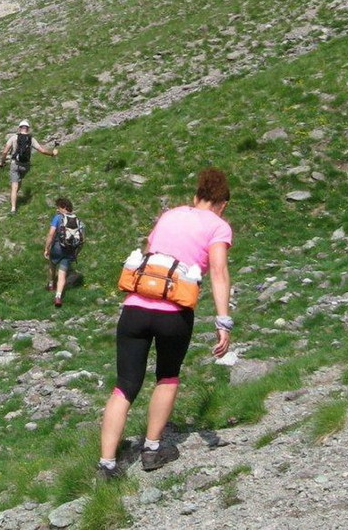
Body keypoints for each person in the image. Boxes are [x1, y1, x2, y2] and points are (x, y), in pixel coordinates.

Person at [98, 168, 233, 479]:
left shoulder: (170, 215)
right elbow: (218, 271)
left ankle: (106, 465)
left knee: (125, 386)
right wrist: (223, 321)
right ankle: (152, 449)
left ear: (196, 196)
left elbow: (150, 251)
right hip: (173, 313)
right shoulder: (219, 226)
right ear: (222, 203)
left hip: (134, 309)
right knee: (167, 376)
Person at [0, 120, 58, 215]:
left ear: (19, 128)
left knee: (14, 186)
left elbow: (5, 151)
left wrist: (2, 163)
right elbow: (42, 150)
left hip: (15, 164)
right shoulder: (31, 139)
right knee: (20, 180)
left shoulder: (14, 137)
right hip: (25, 165)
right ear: (28, 129)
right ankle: (16, 195)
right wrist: (52, 154)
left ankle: (13, 208)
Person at [43, 197, 81, 308]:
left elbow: (51, 234)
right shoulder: (77, 220)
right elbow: (82, 239)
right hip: (70, 250)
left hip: (57, 248)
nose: (57, 210)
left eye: (58, 207)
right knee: (62, 274)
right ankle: (58, 296)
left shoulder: (58, 218)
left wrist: (46, 248)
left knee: (52, 263)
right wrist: (76, 253)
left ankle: (51, 284)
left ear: (63, 207)